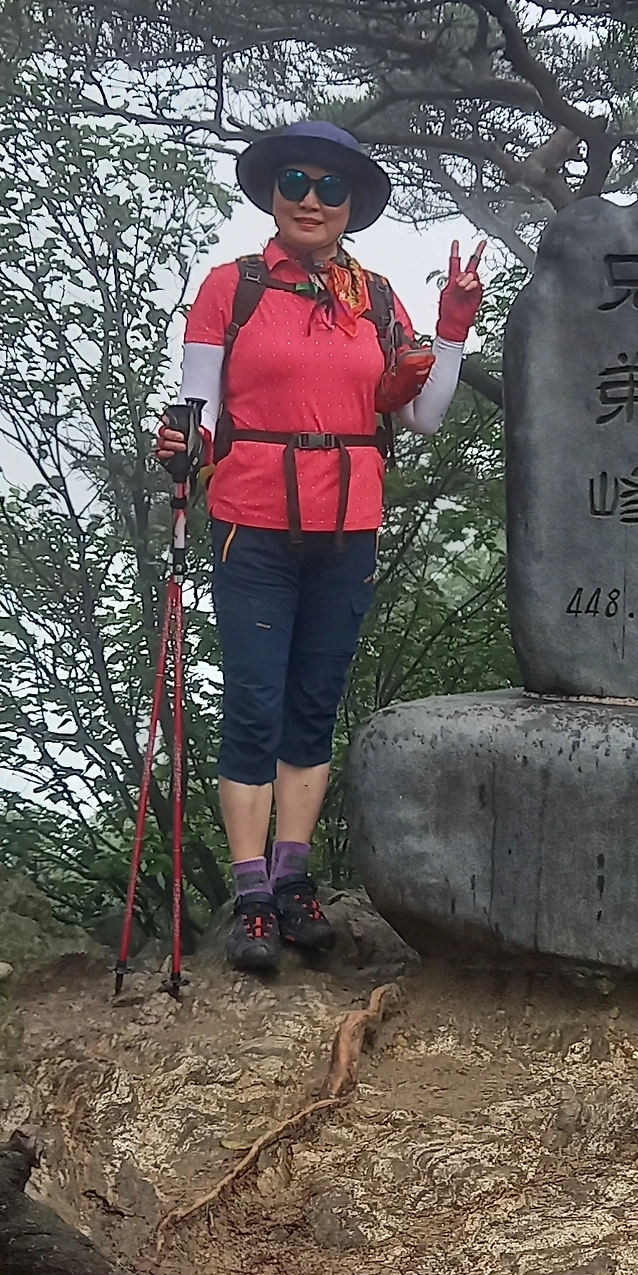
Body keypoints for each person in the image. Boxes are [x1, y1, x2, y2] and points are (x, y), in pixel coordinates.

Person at [158, 119, 485, 970]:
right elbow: (199, 409)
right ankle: (252, 895)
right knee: (254, 703)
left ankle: (293, 880)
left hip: (348, 528)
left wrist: (450, 330)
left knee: (312, 706)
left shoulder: (374, 299)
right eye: (295, 182)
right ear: (273, 194)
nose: (311, 198)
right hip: (253, 522)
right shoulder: (230, 289)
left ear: (351, 205)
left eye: (330, 187)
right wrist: (183, 443)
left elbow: (423, 415)